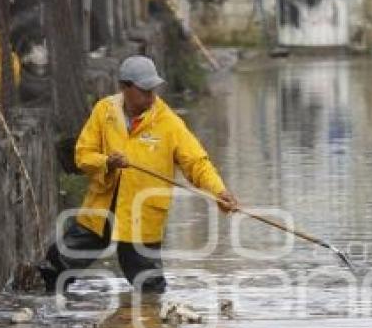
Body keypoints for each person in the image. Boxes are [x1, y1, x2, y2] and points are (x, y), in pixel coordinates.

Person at [38, 55, 238, 294]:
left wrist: (219, 192)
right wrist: (107, 162)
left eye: (153, 90)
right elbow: (83, 155)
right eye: (144, 91)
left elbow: (197, 163)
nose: (151, 97)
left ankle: (151, 322)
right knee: (57, 262)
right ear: (125, 87)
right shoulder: (104, 112)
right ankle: (45, 301)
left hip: (141, 215)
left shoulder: (168, 123)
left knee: (150, 287)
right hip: (102, 208)